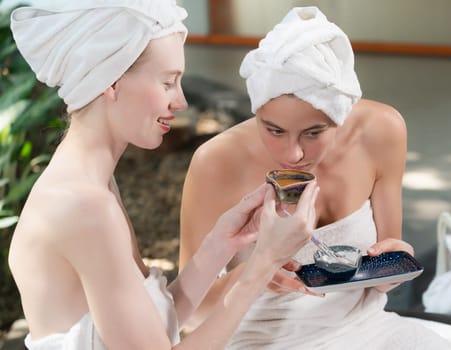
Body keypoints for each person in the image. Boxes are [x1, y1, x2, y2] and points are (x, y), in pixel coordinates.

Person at [8, 1, 319, 349]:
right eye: (168, 82)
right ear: (111, 81)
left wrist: (222, 242)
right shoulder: (86, 206)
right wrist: (264, 262)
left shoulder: (92, 183)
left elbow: (151, 328)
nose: (181, 101)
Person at [179, 6, 451, 349]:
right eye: (273, 130)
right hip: (259, 341)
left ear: (341, 115)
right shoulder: (217, 161)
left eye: (314, 133)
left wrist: (394, 262)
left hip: (365, 328)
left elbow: (380, 281)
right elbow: (190, 315)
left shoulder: (381, 131)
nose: (292, 154)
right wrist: (255, 272)